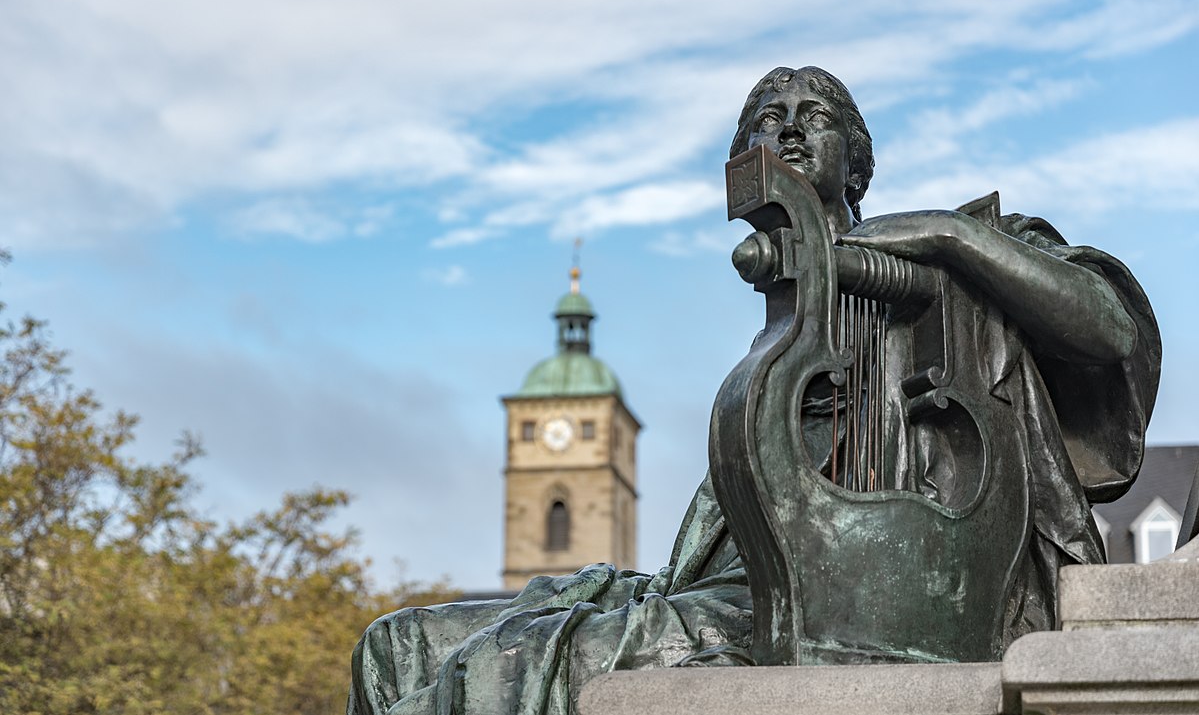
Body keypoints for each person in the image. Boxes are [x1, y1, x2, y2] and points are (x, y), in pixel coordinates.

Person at [346, 67, 1159, 715]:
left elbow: (1109, 331)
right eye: (767, 118)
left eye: (817, 114)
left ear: (857, 163)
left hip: (838, 607)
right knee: (395, 644)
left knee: (521, 662)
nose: (790, 127)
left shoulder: (969, 253)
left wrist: (948, 236)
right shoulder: (779, 337)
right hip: (727, 592)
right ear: (743, 166)